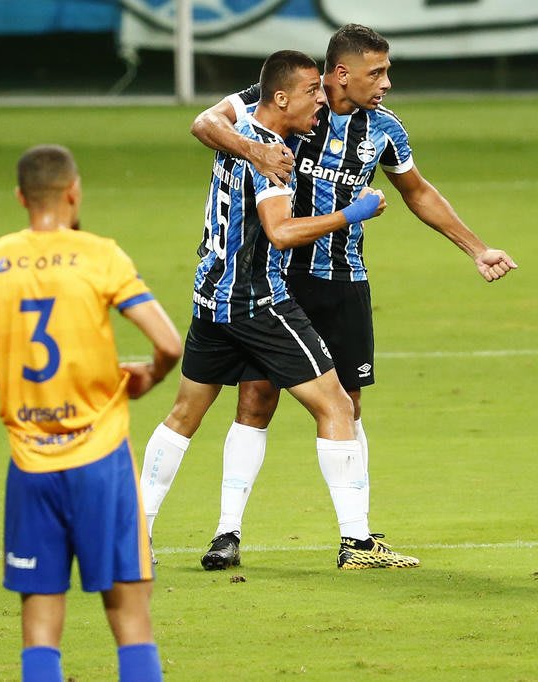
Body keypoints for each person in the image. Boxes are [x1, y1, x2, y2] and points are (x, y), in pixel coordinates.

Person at [140, 23, 517, 571]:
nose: (387, 82)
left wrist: (475, 248)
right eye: (378, 72)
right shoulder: (276, 111)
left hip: (336, 280)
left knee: (342, 403)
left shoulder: (382, 128)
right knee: (260, 400)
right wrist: (259, 152)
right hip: (272, 283)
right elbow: (207, 126)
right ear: (338, 75)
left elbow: (416, 190)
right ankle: (233, 532)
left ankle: (353, 536)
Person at [142, 48, 417, 572]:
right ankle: (357, 544)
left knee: (182, 416)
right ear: (284, 97)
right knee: (336, 405)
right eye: (314, 92)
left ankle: (136, 533)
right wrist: (350, 213)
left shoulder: (241, 130)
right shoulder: (274, 153)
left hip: (210, 295)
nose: (322, 100)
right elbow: (282, 232)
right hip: (259, 303)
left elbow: (207, 124)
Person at [0, 144, 182, 682]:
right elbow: (169, 344)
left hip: (31, 466)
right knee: (131, 618)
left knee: (40, 627)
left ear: (20, 197)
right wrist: (147, 376)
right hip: (102, 461)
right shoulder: (99, 255)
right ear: (73, 192)